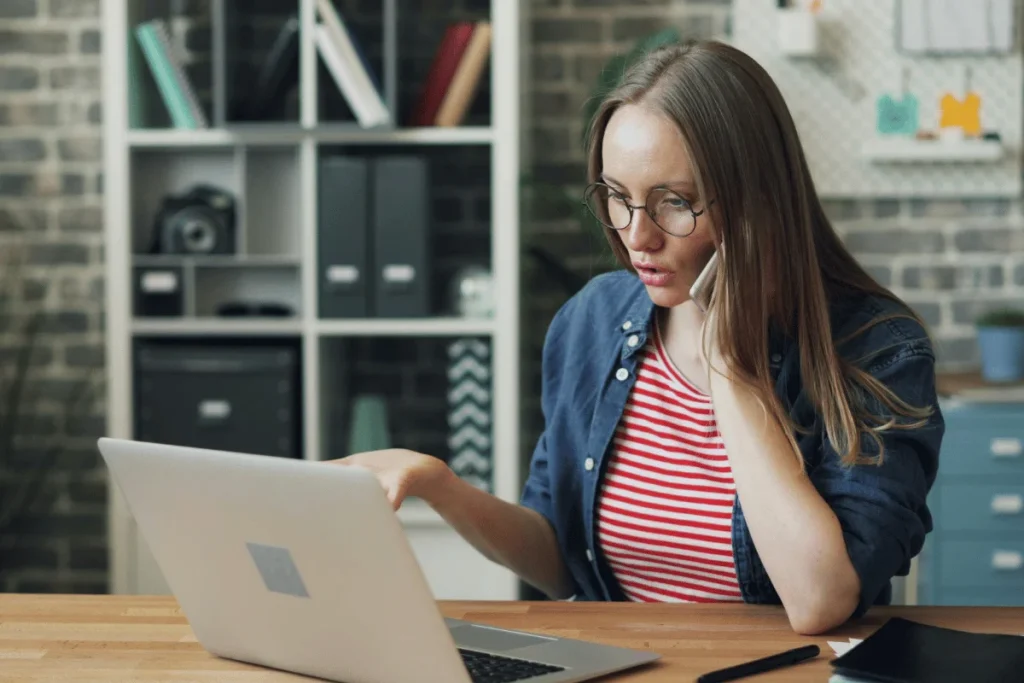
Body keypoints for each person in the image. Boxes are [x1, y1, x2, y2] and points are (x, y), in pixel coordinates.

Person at [331, 40, 943, 635]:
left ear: (758, 203)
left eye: (674, 202)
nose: (636, 237)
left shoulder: (874, 349)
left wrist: (729, 365)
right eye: (617, 199)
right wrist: (440, 484)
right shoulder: (592, 320)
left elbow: (820, 601)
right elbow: (559, 557)